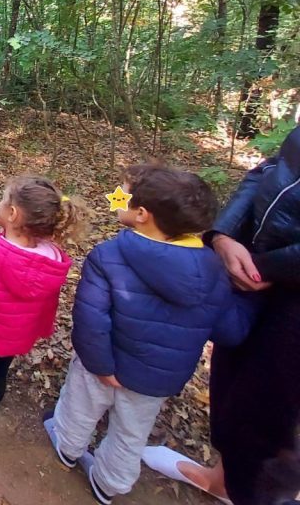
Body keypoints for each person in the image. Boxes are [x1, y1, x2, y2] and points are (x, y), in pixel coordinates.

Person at [44, 164, 254, 505]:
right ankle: (109, 484)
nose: (117, 198)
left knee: (79, 408)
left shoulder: (109, 256)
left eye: (122, 194)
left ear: (142, 214)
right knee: (131, 433)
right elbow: (229, 329)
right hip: (157, 380)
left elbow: (90, 317)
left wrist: (100, 365)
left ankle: (67, 447)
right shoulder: (213, 267)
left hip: (102, 366)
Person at [143, 124, 300, 505]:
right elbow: (269, 169)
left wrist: (265, 266)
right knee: (232, 375)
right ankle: (223, 480)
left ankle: (259, 492)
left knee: (269, 407)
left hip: (285, 290)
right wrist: (223, 235)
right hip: (251, 268)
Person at [0, 175, 89, 456]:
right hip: (14, 337)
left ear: (12, 213)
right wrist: (38, 331)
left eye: (2, 199)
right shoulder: (54, 261)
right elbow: (48, 304)